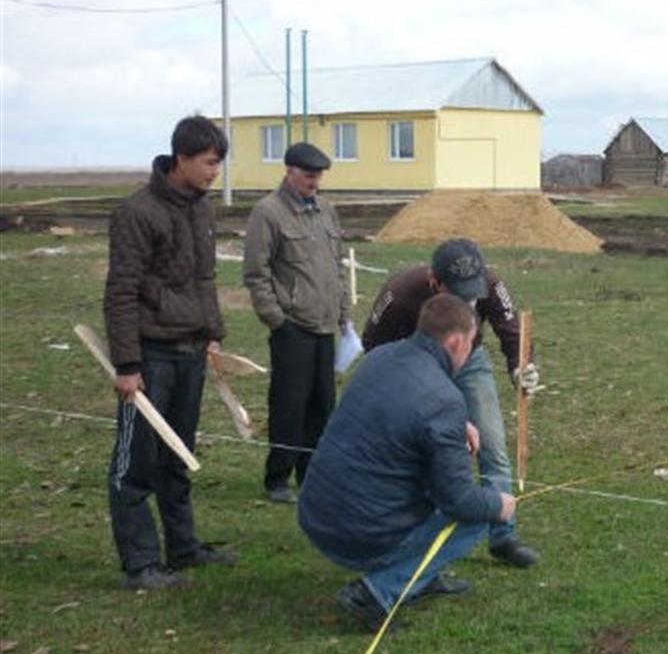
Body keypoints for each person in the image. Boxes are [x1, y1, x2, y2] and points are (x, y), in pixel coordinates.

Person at [298, 294, 518, 631]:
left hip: (315, 514)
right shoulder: (444, 400)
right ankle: (375, 591)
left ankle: (421, 577)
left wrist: (456, 426)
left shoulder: (381, 357)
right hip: (356, 535)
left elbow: (400, 413)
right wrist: (499, 505)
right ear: (458, 341)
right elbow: (459, 500)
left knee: (431, 470)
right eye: (472, 342)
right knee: (476, 515)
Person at [103, 115, 237, 590]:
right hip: (150, 356)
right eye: (208, 163)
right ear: (181, 158)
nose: (214, 172)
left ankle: (182, 548)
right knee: (135, 463)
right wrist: (127, 365)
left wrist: (213, 332)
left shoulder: (202, 209)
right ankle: (140, 563)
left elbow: (204, 278)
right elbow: (121, 291)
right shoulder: (137, 213)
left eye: (218, 163)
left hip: (191, 351)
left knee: (177, 455)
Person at [362, 238, 540, 568]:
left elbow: (511, 329)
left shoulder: (490, 283)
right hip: (416, 367)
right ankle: (418, 537)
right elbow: (373, 345)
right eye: (456, 294)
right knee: (424, 452)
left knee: (493, 444)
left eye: (471, 295)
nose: (467, 302)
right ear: (435, 281)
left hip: (469, 361)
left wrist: (521, 366)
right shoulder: (400, 295)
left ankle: (503, 535)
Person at [243, 142, 350, 503]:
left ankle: (312, 476)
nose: (314, 183)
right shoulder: (268, 213)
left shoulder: (326, 211)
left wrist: (343, 316)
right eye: (308, 175)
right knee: (289, 405)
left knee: (322, 406)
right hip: (292, 328)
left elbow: (336, 268)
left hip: (324, 328)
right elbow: (256, 273)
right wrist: (276, 320)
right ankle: (278, 478)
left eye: (318, 176)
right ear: (289, 172)